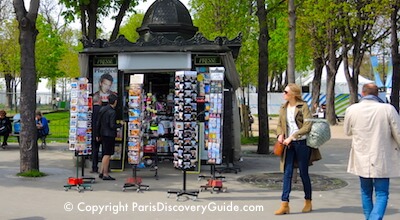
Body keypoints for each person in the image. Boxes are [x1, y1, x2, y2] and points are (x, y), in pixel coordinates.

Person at [344, 83, 400, 220]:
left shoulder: (352, 109)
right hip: (382, 155)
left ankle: (369, 217)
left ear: (362, 93)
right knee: (381, 193)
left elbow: (347, 131)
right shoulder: (388, 109)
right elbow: (398, 132)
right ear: (377, 94)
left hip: (361, 155)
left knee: (365, 191)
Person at [274, 83, 321, 215]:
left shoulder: (303, 106)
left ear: (293, 94)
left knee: (303, 173)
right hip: (288, 145)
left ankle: (308, 201)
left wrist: (293, 136)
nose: (284, 94)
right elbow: (279, 124)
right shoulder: (284, 108)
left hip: (301, 144)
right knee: (287, 173)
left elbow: (308, 126)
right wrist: (280, 135)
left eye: (286, 92)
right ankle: (284, 204)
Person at [96, 94, 121, 180]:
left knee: (105, 154)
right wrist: (119, 125)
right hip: (109, 134)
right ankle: (105, 173)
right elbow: (112, 125)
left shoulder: (103, 109)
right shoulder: (112, 112)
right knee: (107, 154)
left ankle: (101, 171)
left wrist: (97, 134)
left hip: (103, 133)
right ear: (115, 102)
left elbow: (98, 122)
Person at [90, 95, 102, 173]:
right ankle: (105, 167)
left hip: (92, 133)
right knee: (104, 151)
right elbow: (99, 122)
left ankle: (94, 167)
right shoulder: (101, 110)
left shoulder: (90, 110)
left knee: (94, 151)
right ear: (99, 100)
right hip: (100, 133)